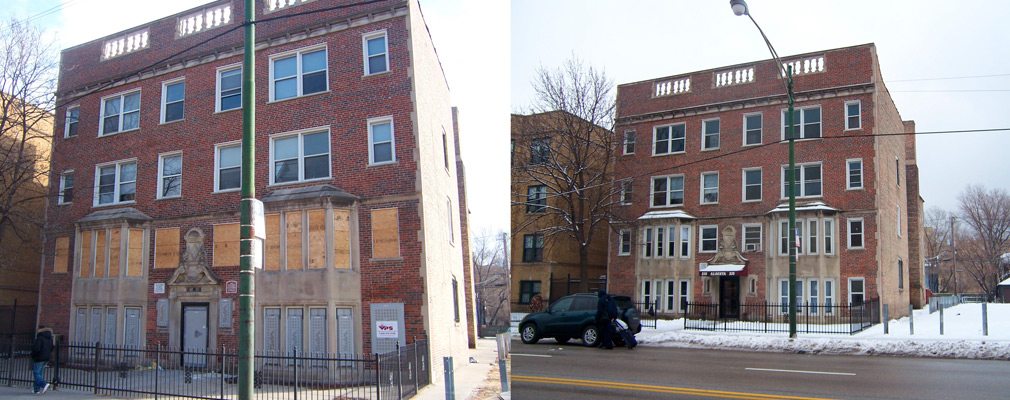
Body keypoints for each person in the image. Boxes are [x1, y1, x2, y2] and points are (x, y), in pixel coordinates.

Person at [30, 326, 54, 395]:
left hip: (39, 358)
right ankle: (36, 390)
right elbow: (52, 348)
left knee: (36, 373)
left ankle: (44, 385)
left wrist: (33, 355)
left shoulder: (39, 338)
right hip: (46, 358)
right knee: (39, 374)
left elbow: (36, 348)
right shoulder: (50, 338)